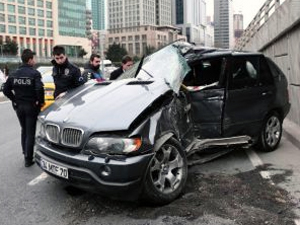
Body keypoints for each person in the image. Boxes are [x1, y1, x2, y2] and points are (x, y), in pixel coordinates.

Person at [3, 49, 45, 167]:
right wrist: (40, 102)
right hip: (31, 106)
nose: (34, 61)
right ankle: (28, 159)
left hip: (19, 106)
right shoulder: (34, 73)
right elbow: (39, 89)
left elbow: (6, 90)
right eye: (34, 59)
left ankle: (24, 151)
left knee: (24, 129)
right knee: (30, 132)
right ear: (30, 60)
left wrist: (14, 99)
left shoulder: (14, 73)